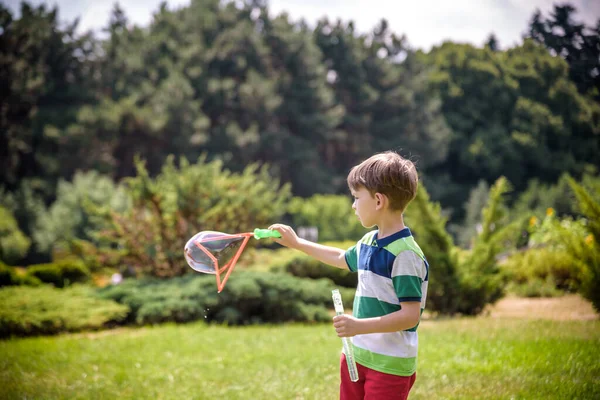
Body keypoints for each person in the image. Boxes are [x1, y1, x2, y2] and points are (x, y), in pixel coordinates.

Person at [269, 151, 429, 400]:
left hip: (389, 366)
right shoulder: (369, 241)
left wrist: (358, 326)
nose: (353, 205)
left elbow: (410, 316)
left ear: (378, 201)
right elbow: (340, 258)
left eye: (356, 197)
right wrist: (297, 243)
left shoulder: (405, 255)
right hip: (357, 356)